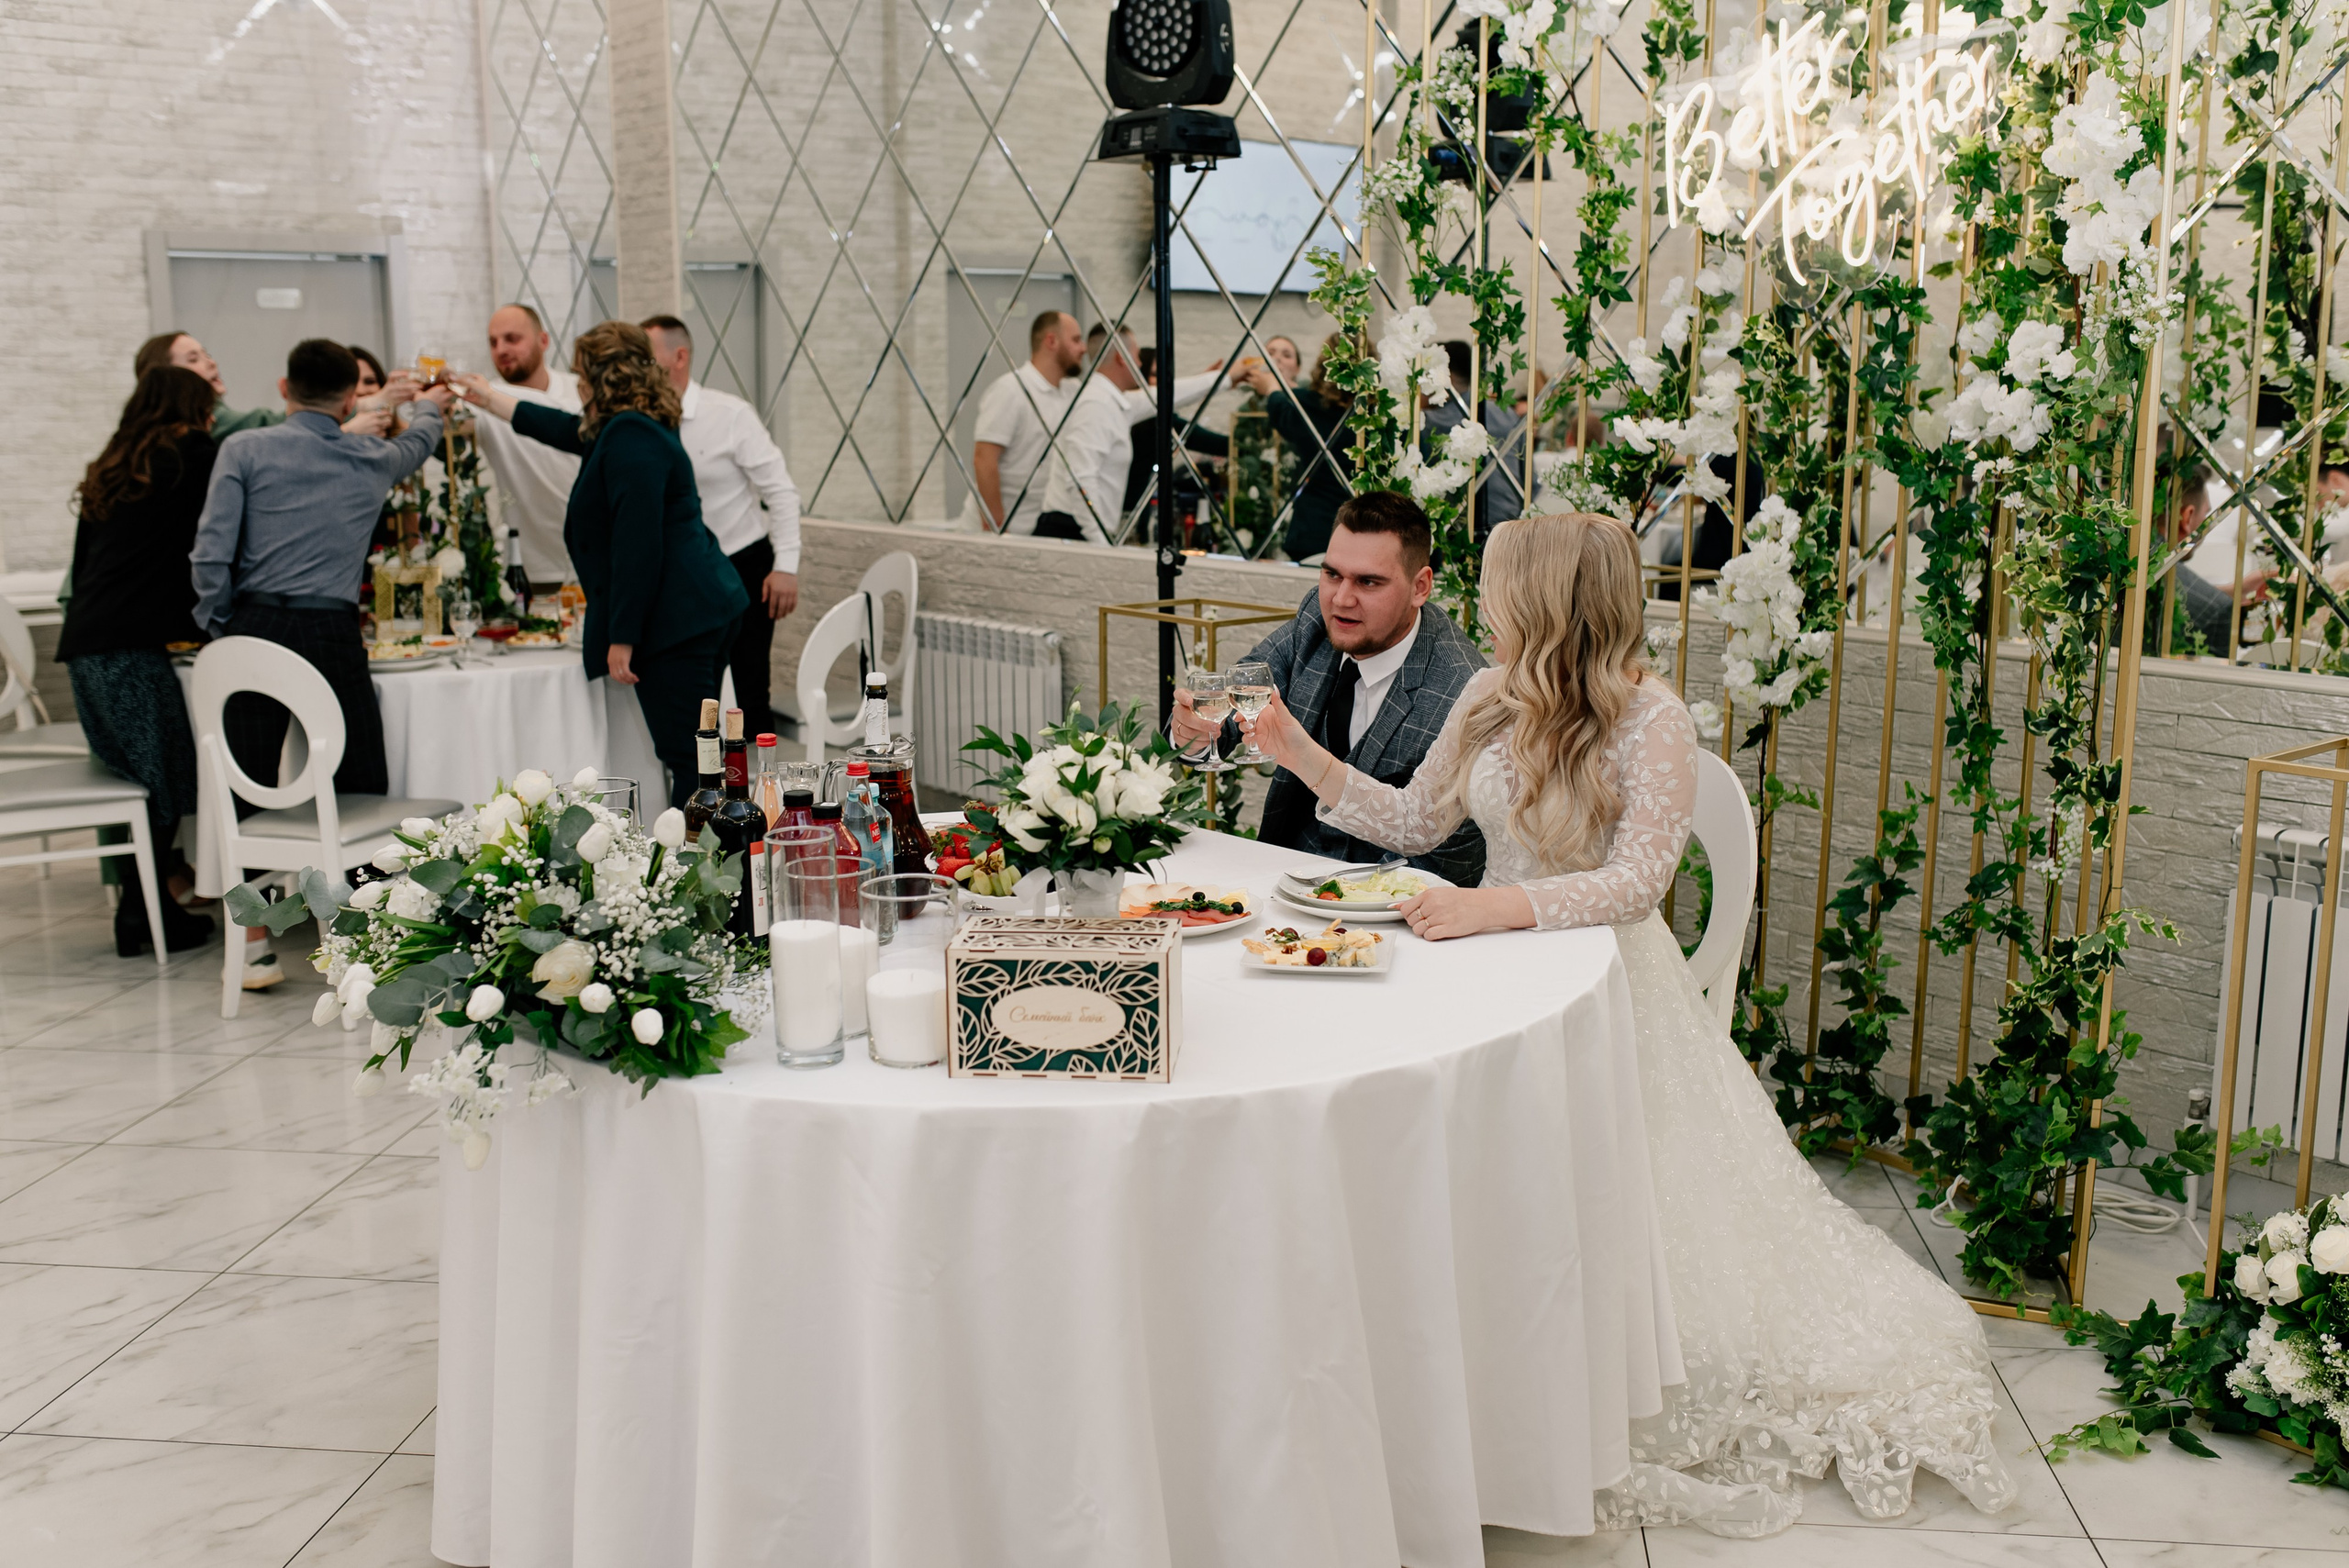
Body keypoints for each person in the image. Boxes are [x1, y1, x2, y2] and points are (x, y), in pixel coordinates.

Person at [1237, 511, 2018, 1536]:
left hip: (1597, 972)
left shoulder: (1651, 718)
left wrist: (1493, 906)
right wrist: (1293, 748)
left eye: (1499, 586)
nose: (1480, 609)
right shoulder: (1487, 692)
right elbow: (1411, 823)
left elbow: (1637, 884)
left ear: (1549, 600)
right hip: (1488, 965)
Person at [191, 339, 453, 988]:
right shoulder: (367, 455)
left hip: (253, 623)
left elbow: (210, 551)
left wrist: (219, 624)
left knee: (244, 785)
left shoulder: (243, 450)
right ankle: (369, 942)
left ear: (284, 388)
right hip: (332, 630)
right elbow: (418, 445)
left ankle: (253, 943)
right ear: (347, 400)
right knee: (360, 776)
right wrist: (428, 408)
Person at [456, 322, 749, 810]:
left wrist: (623, 635)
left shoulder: (630, 434)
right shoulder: (627, 424)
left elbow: (639, 544)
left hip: (680, 618)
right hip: (700, 604)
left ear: (599, 377)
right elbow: (560, 428)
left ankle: (714, 876)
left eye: (580, 374)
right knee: (697, 753)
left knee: (691, 759)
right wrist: (487, 399)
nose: (577, 383)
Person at [1169, 491, 1486, 885]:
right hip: (1280, 877)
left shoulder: (1461, 686)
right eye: (1332, 574)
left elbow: (1454, 861)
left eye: (1368, 582)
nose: (1341, 598)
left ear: (1420, 587)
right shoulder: (1316, 623)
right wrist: (1194, 734)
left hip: (1390, 909)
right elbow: (1238, 695)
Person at [55, 365, 223, 957]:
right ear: (193, 408)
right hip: (130, 645)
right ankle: (141, 917)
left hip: (85, 644)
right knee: (159, 783)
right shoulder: (190, 452)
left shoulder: (114, 462)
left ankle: (146, 907)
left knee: (136, 781)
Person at [641, 315, 802, 737]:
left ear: (680, 356)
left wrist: (786, 565)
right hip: (678, 573)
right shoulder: (639, 423)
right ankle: (699, 790)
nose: (639, 367)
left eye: (647, 356)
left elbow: (781, 491)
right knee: (695, 694)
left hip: (742, 564)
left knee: (750, 690)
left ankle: (760, 792)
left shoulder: (730, 414)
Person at [472, 303, 586, 589]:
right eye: (493, 342)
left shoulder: (579, 391)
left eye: (512, 339)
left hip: (591, 563)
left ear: (543, 341)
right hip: (528, 572)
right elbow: (450, 422)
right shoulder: (484, 401)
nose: (501, 350)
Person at [135, 331, 391, 439]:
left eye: (207, 354)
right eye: (194, 359)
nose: (211, 363)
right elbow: (275, 436)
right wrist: (346, 433)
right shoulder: (198, 430)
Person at [1233, 332, 1353, 561]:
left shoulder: (1305, 405)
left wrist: (1275, 389)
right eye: (1270, 354)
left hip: (1312, 526)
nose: (1276, 360)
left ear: (1299, 367)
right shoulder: (1247, 412)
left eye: (1286, 354)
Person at [973, 311, 1085, 535]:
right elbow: (984, 459)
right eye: (1075, 340)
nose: (1083, 348)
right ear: (1051, 341)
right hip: (1005, 530)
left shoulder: (1072, 390)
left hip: (1040, 527)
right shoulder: (1010, 390)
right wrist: (995, 525)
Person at [1422, 339, 1525, 537]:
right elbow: (1530, 482)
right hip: (1512, 530)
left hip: (1462, 535)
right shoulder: (1507, 415)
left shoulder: (1432, 422)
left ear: (1444, 377)